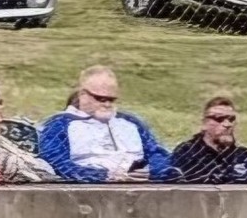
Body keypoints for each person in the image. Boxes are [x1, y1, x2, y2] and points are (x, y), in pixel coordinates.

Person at [38, 66, 176, 183]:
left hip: (144, 186)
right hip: (90, 190)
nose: (107, 104)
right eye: (101, 99)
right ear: (83, 95)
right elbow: (55, 162)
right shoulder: (59, 124)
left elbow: (157, 153)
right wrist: (104, 176)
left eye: (112, 99)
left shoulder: (132, 122)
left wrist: (152, 171)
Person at [170, 96, 247, 184]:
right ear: (204, 123)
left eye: (231, 119)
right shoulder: (186, 154)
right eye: (219, 119)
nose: (227, 124)